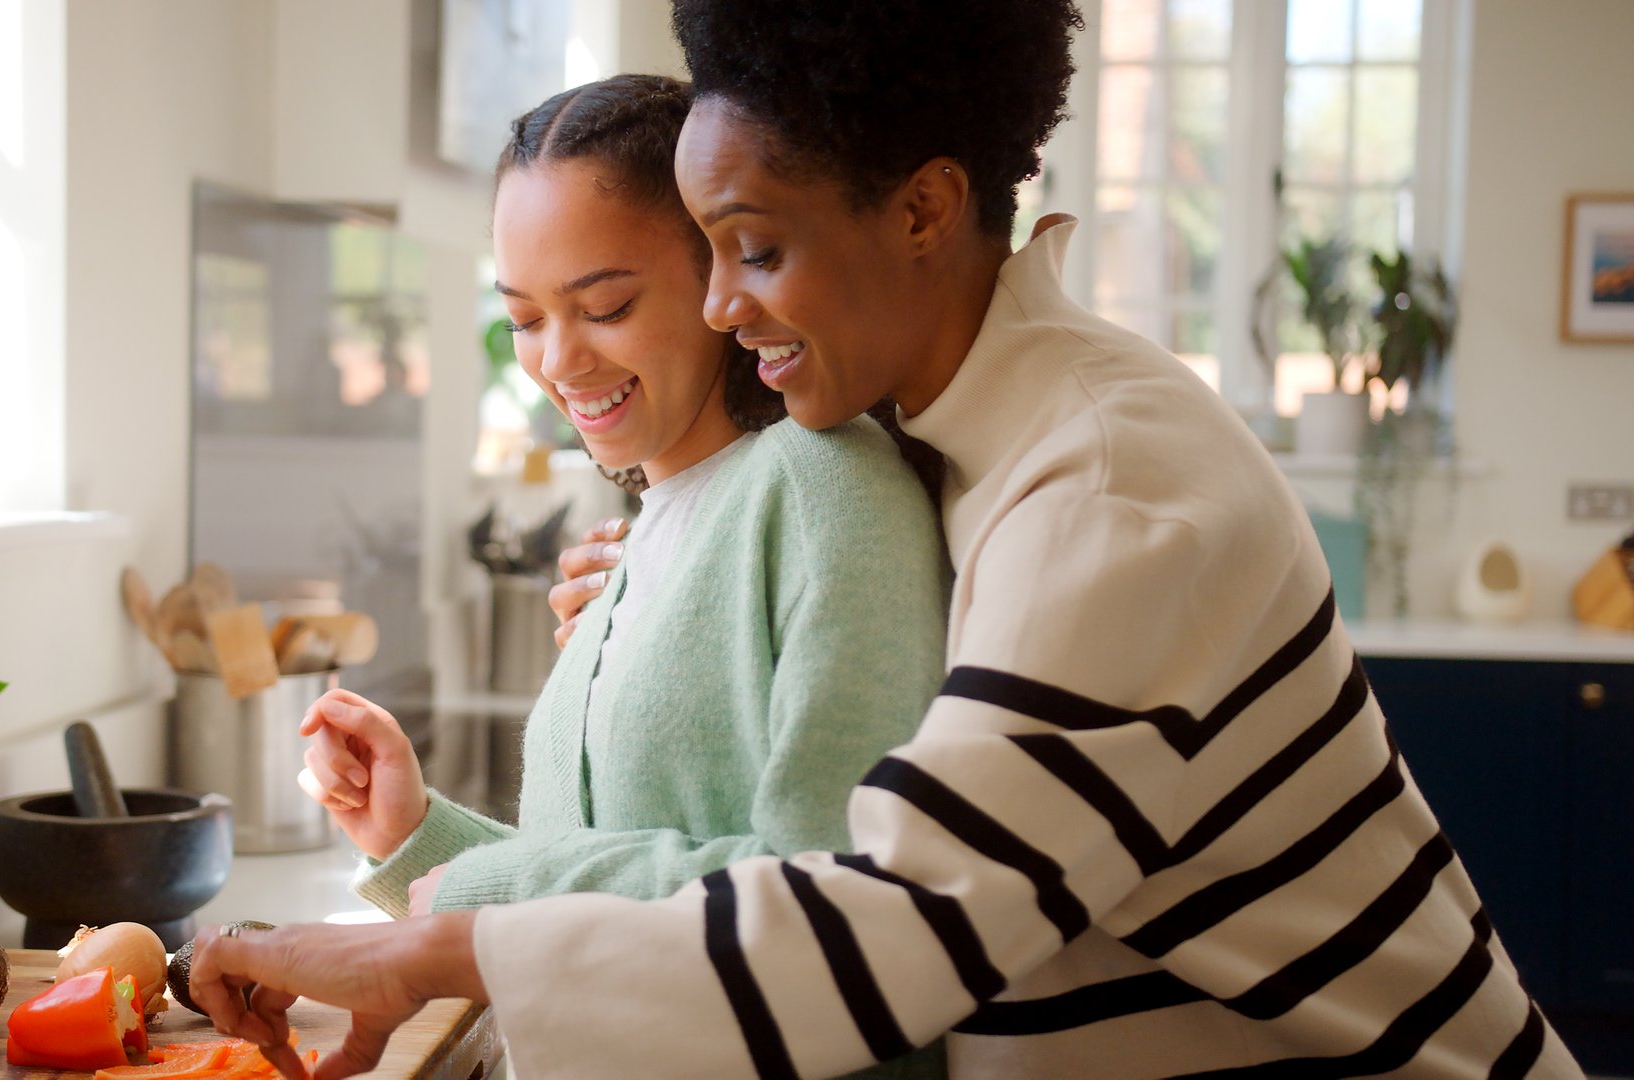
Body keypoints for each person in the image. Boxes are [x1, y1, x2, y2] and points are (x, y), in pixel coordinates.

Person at [189, 3, 1580, 1077]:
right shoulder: (957, 443)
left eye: (754, 246)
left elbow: (903, 927)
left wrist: (438, 945)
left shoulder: (1107, 484)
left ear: (922, 209)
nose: (723, 304)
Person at [290, 72, 950, 1078]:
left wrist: (482, 892)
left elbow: (833, 891)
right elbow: (605, 867)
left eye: (604, 304)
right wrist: (418, 837)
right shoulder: (637, 535)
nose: (558, 360)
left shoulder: (826, 490)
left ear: (724, 275)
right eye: (522, 316)